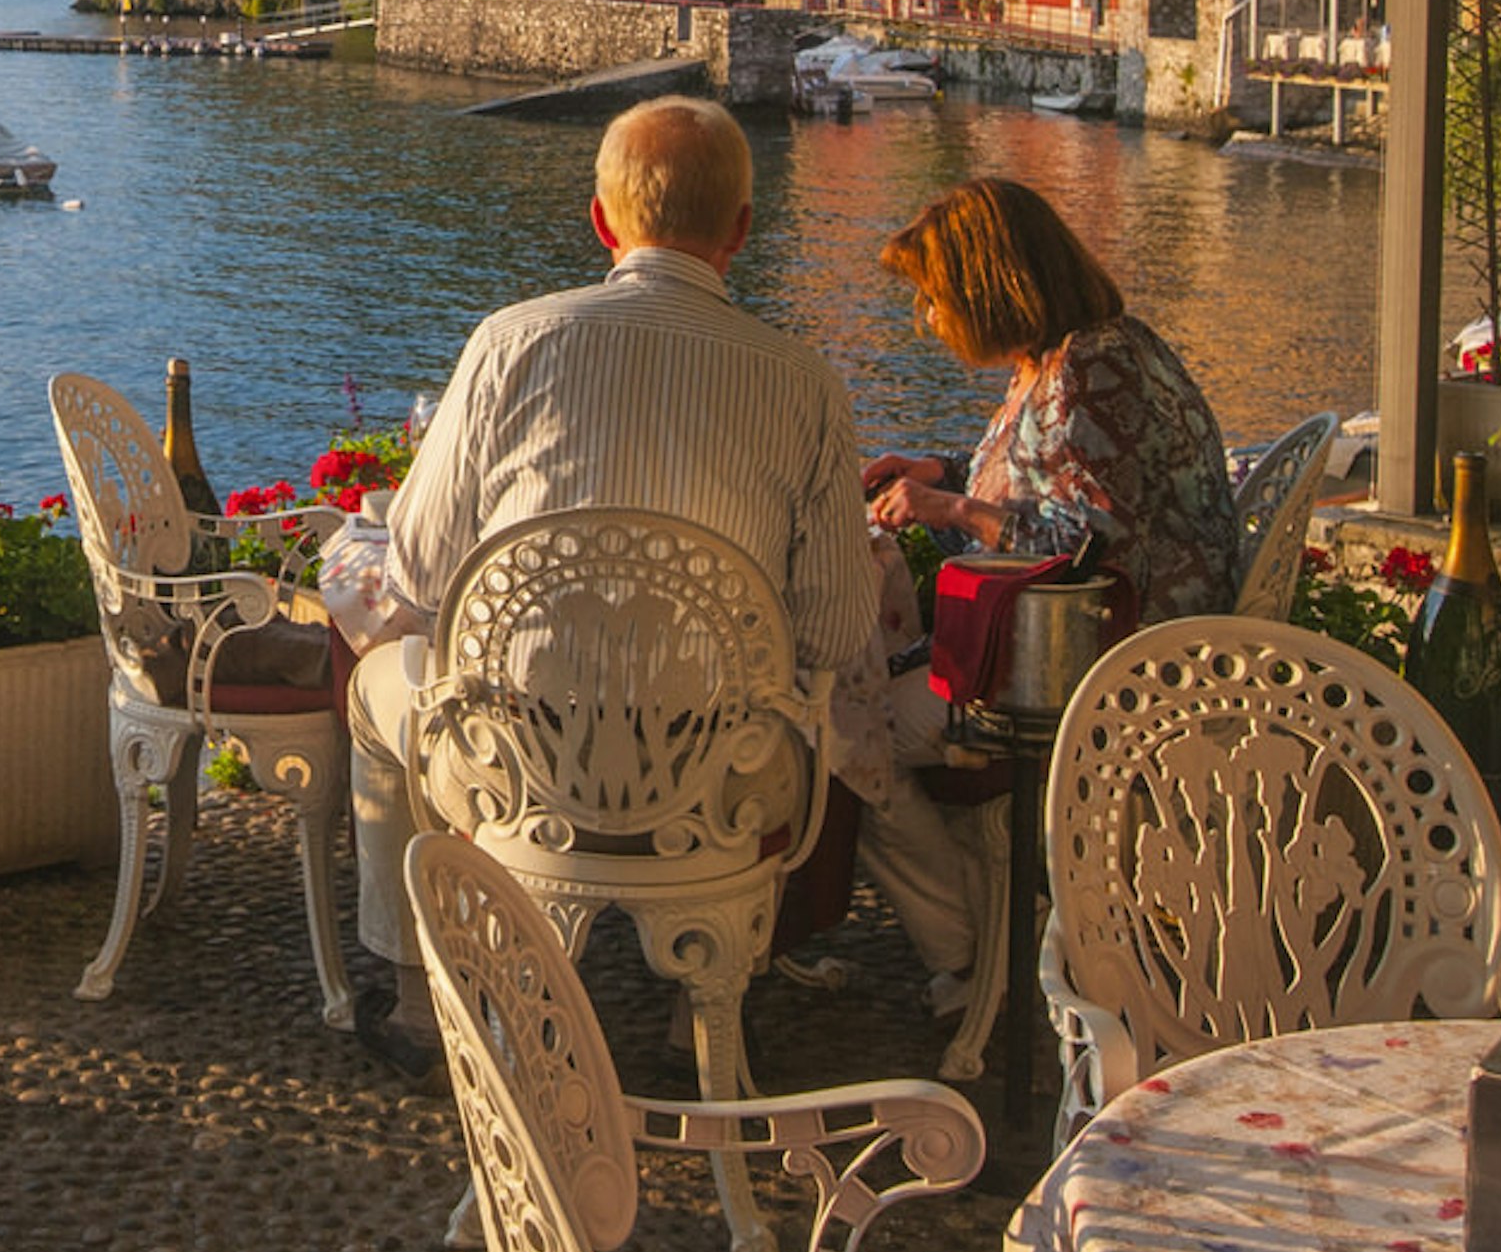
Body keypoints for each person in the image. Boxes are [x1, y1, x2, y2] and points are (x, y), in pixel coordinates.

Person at [342, 97, 879, 1077]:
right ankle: (699, 1017)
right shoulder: (805, 383)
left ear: (601, 222)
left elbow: (416, 569)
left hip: (519, 765)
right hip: (721, 781)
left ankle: (423, 1001)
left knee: (377, 687)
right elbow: (839, 628)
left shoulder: (510, 344)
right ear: (742, 233)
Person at [863, 176, 1240, 623]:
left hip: (1127, 648)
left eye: (934, 296)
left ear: (985, 292)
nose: (928, 315)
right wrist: (940, 473)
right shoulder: (1058, 356)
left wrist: (953, 509)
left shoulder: (1092, 370)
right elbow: (1049, 477)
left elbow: (1092, 560)